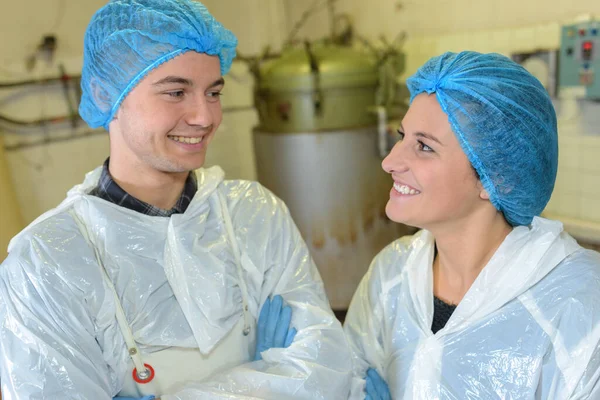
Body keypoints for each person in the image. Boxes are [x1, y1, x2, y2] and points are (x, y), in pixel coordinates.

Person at [0, 1, 353, 398]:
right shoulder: (46, 263)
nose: (204, 116)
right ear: (105, 94)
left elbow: (327, 369)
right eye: (175, 92)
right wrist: (270, 379)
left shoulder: (254, 215)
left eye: (213, 92)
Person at [343, 51, 600, 399]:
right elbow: (349, 376)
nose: (390, 161)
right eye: (401, 136)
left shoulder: (578, 306)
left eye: (423, 146)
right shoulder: (392, 274)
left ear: (496, 178)